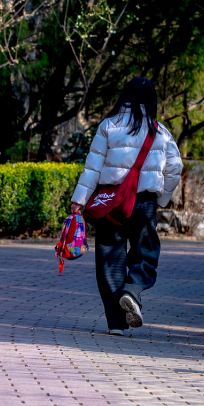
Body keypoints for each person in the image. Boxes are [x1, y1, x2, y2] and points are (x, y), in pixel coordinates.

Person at [69, 77, 183, 336]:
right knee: (146, 252)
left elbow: (93, 167)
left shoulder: (109, 126)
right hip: (144, 202)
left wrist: (79, 200)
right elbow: (175, 168)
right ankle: (132, 290)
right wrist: (161, 199)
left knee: (110, 257)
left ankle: (116, 324)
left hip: (111, 203)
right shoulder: (160, 131)